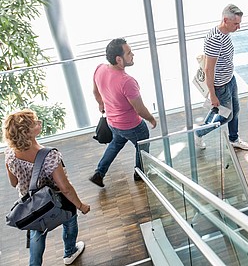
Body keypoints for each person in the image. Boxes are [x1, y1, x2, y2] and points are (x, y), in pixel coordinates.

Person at [3, 109, 91, 266]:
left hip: (30, 202)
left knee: (37, 232)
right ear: (27, 133)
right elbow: (65, 188)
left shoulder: (9, 154)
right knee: (70, 220)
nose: (40, 122)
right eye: (35, 123)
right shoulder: (49, 156)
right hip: (58, 199)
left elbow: (13, 183)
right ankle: (69, 252)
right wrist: (81, 205)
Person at [89, 38, 157, 187]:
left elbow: (95, 92)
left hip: (113, 123)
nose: (133, 55)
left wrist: (101, 104)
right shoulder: (127, 82)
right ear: (119, 60)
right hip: (132, 126)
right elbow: (140, 109)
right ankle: (140, 173)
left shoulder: (99, 69)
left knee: (115, 144)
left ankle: (99, 173)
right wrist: (151, 119)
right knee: (142, 147)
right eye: (129, 53)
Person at [194, 4, 248, 151]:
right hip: (221, 85)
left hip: (230, 80)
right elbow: (208, 68)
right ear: (225, 20)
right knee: (227, 116)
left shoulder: (224, 33)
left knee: (234, 110)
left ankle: (234, 139)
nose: (238, 27)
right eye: (236, 24)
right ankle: (199, 133)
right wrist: (212, 94)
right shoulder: (216, 39)